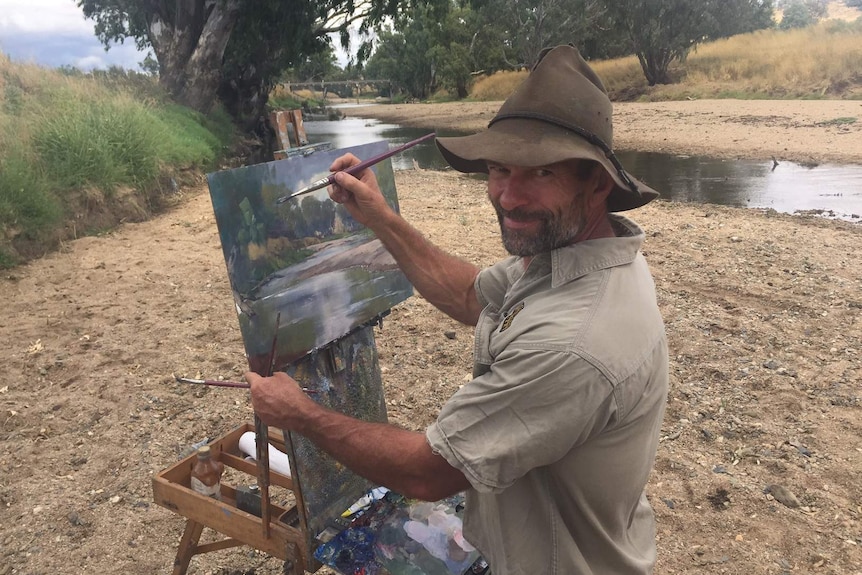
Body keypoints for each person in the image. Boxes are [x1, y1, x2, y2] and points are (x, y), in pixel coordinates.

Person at [246, 44, 668, 575]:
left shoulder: (573, 342)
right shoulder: (575, 256)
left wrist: (301, 415)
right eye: (498, 169)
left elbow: (430, 473)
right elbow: (471, 294)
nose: (508, 196)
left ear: (598, 182)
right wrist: (378, 217)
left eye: (540, 174)